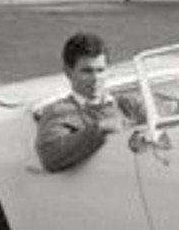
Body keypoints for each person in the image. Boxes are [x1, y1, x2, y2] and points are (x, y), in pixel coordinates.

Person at [34, 32, 142, 173]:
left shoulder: (129, 103)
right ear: (68, 72)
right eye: (87, 71)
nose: (96, 79)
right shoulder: (59, 112)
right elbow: (50, 157)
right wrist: (100, 128)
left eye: (100, 70)